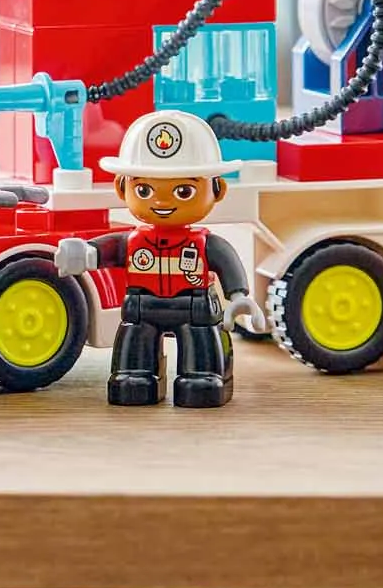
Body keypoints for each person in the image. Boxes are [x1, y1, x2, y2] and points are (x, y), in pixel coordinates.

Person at [56, 110, 264, 408]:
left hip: (195, 309)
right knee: (134, 348)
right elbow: (106, 251)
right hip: (142, 308)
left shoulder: (207, 244)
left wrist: (239, 296)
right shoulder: (132, 241)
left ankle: (204, 377)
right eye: (144, 189)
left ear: (217, 190)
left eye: (184, 191)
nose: (162, 202)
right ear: (121, 187)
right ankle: (135, 376)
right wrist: (85, 253)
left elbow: (227, 263)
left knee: (202, 348)